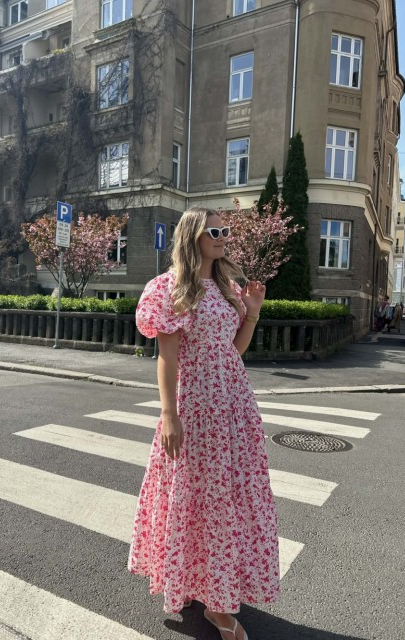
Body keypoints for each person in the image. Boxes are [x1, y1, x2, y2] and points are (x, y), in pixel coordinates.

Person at [128, 207, 280, 640]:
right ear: (192, 235)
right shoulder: (171, 287)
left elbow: (234, 349)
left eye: (225, 229)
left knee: (227, 499)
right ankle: (208, 598)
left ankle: (213, 591)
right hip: (195, 406)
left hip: (233, 405)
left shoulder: (227, 287)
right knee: (196, 498)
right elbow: (167, 358)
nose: (223, 236)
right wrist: (169, 415)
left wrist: (251, 311)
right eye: (214, 230)